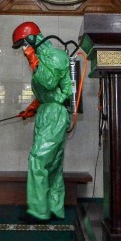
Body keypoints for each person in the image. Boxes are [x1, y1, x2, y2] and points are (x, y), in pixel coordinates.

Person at [12, 21, 73, 223]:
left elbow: (48, 81)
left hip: (55, 114)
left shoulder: (55, 57)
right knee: (53, 165)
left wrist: (34, 61)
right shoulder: (41, 59)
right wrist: (34, 106)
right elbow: (47, 91)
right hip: (48, 111)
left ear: (32, 39)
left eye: (23, 44)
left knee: (38, 159)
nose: (23, 49)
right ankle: (55, 208)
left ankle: (38, 211)